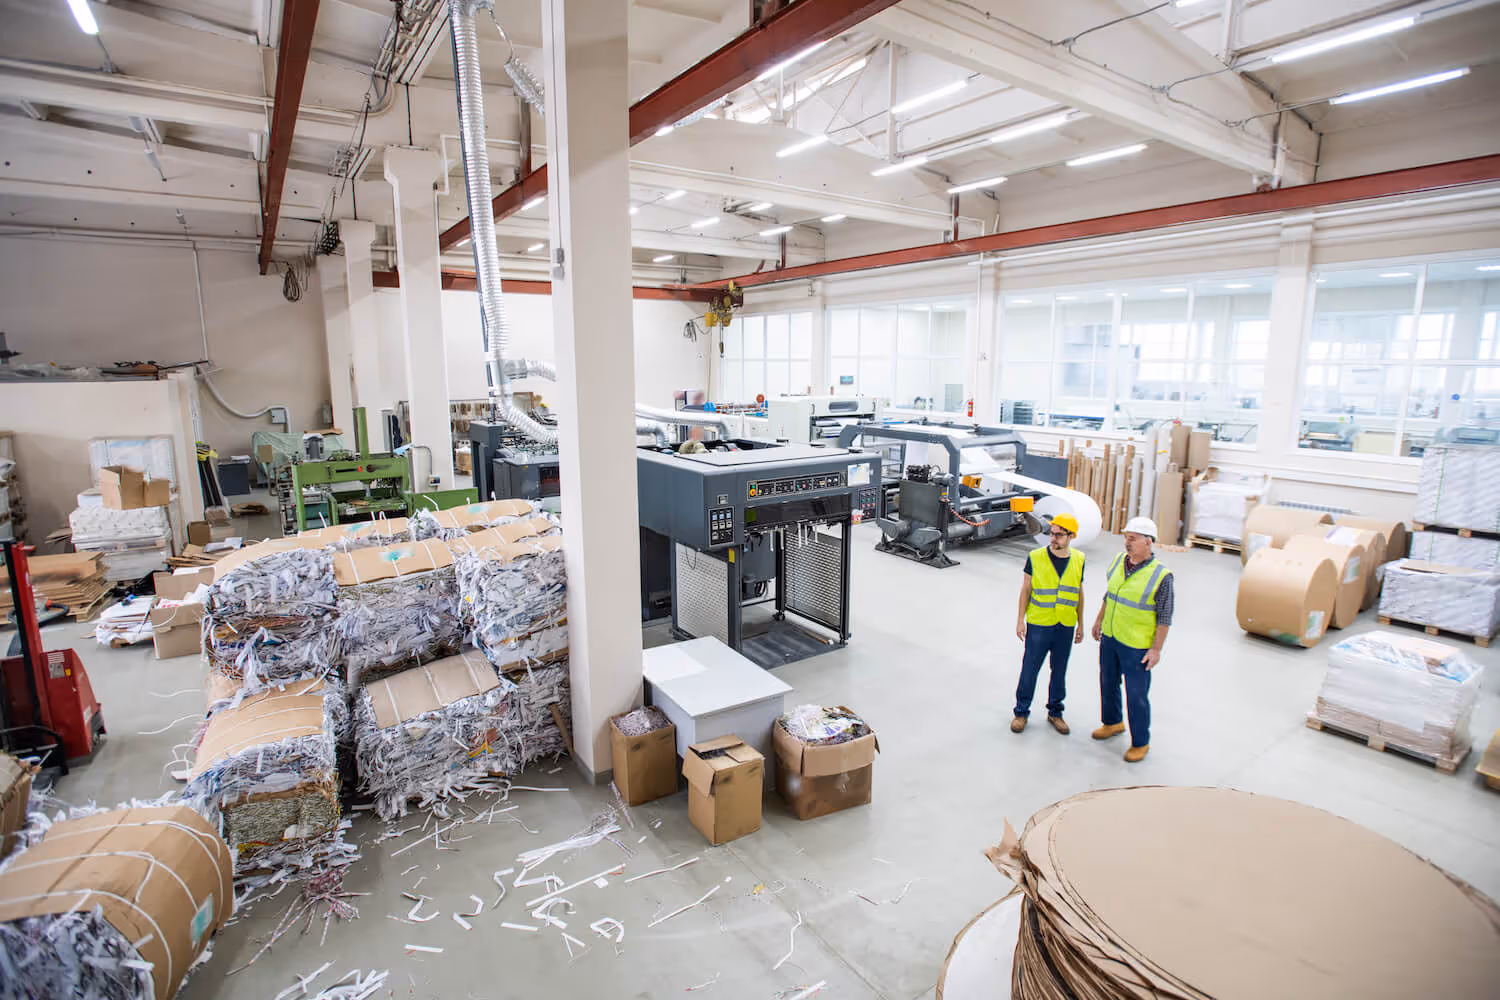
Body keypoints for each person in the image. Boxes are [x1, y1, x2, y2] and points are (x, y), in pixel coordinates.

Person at [1090, 516, 1172, 762]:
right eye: (1126, 537)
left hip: (1137, 646)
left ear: (1149, 542)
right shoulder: (1118, 561)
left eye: (1133, 539)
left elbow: (1165, 617)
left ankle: (1140, 742)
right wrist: (1098, 621)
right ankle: (1113, 723)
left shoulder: (1162, 576)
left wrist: (1156, 650)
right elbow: (1111, 594)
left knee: (1136, 695)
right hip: (1112, 637)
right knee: (1108, 683)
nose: (1127, 542)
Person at [1012, 513, 1084, 735]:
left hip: (1065, 625)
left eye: (1059, 535)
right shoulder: (1035, 557)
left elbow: (1079, 592)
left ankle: (1055, 712)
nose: (1054, 538)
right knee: (1030, 669)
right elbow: (1026, 590)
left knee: (1059, 671)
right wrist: (1020, 620)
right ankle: (1021, 713)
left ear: (1071, 536)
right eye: (1052, 534)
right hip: (1040, 624)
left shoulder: (1079, 559)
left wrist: (1081, 624)